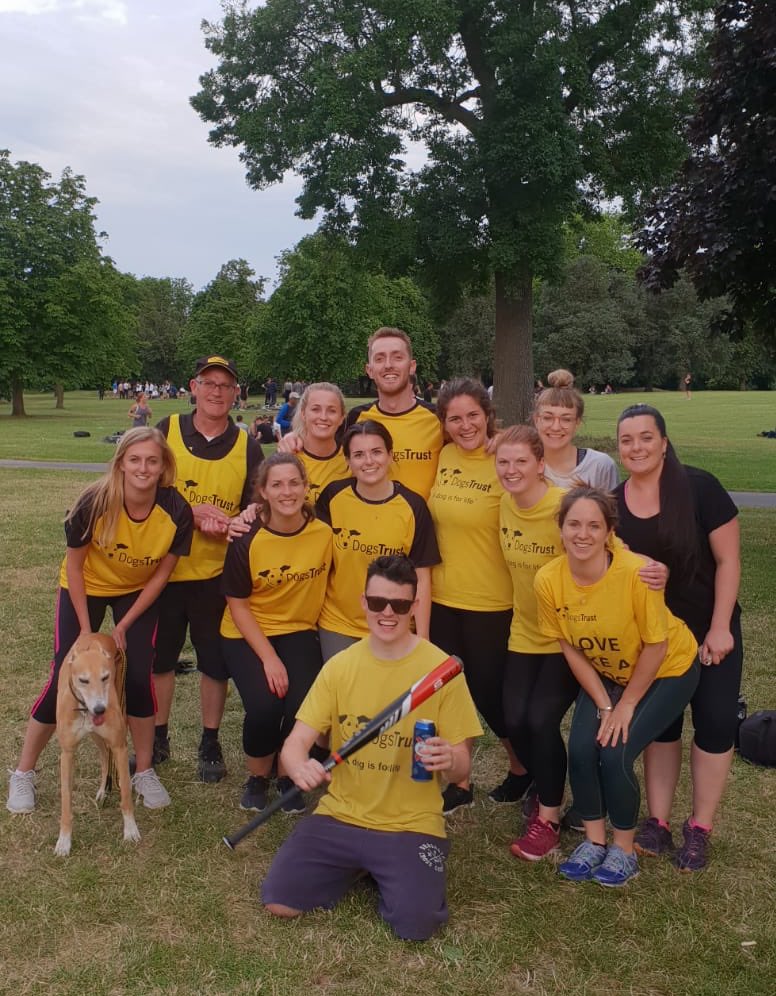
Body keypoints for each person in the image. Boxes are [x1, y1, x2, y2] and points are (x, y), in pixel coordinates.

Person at [261, 554, 483, 941]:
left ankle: (386, 868)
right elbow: (295, 743)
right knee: (280, 901)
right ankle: (362, 865)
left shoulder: (441, 671)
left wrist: (451, 759)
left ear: (414, 606)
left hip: (410, 823)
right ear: (363, 602)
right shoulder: (340, 666)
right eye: (378, 602)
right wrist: (298, 766)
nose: (388, 613)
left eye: (399, 604)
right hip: (341, 814)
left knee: (416, 926)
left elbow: (463, 767)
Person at [7, 427, 193, 814]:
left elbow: (161, 576)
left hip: (136, 591)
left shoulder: (177, 511)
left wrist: (124, 625)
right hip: (86, 587)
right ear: (121, 463)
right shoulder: (93, 502)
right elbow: (75, 568)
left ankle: (144, 771)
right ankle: (23, 772)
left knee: (139, 674)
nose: (143, 468)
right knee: (65, 674)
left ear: (163, 466)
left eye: (152, 461)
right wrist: (86, 631)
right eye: (135, 459)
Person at [534, 487, 700, 887]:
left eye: (594, 526)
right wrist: (604, 704)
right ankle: (594, 841)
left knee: (614, 752)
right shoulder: (548, 579)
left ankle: (624, 849)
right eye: (574, 524)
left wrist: (625, 705)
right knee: (580, 747)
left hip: (667, 667)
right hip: (608, 671)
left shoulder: (635, 574)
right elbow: (570, 648)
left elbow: (656, 646)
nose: (582, 534)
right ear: (560, 528)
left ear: (609, 531)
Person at [614, 404, 742, 871]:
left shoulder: (700, 488)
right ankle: (659, 822)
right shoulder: (615, 503)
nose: (637, 447)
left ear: (664, 443)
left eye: (646, 437)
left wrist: (721, 626)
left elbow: (728, 561)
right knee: (663, 726)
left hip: (709, 628)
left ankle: (700, 827)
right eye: (627, 440)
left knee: (715, 722)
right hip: (655, 639)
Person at [151, 355, 264, 782]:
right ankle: (157, 735)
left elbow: (256, 507)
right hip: (164, 570)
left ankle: (210, 739)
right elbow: (141, 488)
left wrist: (236, 523)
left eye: (225, 385)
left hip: (215, 575)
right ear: (193, 387)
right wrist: (190, 514)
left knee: (214, 663)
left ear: (236, 393)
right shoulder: (166, 431)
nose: (217, 391)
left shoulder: (246, 445)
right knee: (161, 660)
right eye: (209, 383)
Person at [427, 379, 530, 813]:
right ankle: (460, 782)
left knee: (489, 695)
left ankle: (523, 769)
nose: (465, 425)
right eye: (455, 418)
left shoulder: (504, 458)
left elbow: (547, 489)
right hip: (442, 598)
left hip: (491, 600)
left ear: (488, 415)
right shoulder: (443, 455)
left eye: (473, 415)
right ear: (444, 423)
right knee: (449, 693)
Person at [220, 453, 333, 812]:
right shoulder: (246, 537)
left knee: (302, 705)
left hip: (299, 628)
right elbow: (238, 605)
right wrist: (269, 659)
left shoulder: (324, 532)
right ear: (263, 492)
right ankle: (258, 776)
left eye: (294, 483)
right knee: (265, 706)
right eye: (277, 485)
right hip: (246, 630)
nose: (287, 492)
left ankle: (287, 774)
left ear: (306, 486)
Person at [494, 425, 579, 860]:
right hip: (524, 632)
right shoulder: (504, 504)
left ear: (541, 465)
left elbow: (611, 548)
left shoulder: (564, 506)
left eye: (521, 461)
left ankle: (548, 818)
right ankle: (546, 786)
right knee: (514, 720)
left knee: (541, 720)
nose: (511, 470)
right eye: (503, 462)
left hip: (567, 638)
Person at [316, 420, 440, 662]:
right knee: (344, 685)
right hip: (339, 622)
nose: (369, 461)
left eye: (376, 452)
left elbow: (422, 576)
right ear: (347, 461)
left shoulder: (413, 506)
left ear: (390, 455)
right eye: (359, 455)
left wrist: (423, 636)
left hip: (394, 621)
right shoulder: (333, 496)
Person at [533, 370, 618, 491]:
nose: (556, 427)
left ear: (577, 422)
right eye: (548, 418)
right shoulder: (521, 465)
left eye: (566, 419)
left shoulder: (600, 466)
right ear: (536, 419)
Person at [288, 382, 350, 504]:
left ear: (341, 418)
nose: (323, 417)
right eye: (316, 409)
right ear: (303, 414)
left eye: (332, 411)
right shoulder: (288, 456)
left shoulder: (352, 459)